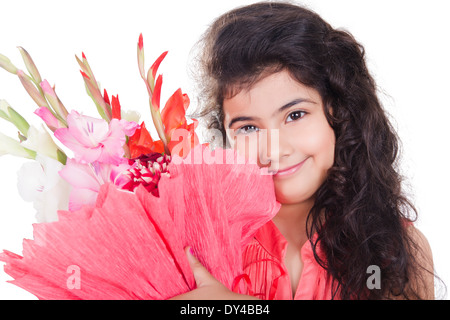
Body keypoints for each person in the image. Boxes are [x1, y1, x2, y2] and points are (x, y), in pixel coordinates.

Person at [173, 1, 435, 299]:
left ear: (336, 111)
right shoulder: (198, 248)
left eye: (295, 115)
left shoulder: (394, 250)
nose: (275, 149)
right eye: (248, 127)